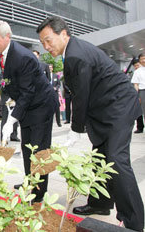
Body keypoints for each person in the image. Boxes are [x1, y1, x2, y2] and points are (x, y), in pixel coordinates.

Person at [37, 16, 144, 231]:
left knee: (115, 160)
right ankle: (100, 204)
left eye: (49, 40)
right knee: (100, 157)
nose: (47, 47)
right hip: (106, 108)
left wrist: (75, 130)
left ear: (64, 34)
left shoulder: (76, 55)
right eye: (43, 44)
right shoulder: (73, 51)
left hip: (118, 107)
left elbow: (81, 96)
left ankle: (134, 220)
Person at [0, 20, 58, 202]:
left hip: (41, 106)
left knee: (39, 150)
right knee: (27, 148)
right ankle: (29, 182)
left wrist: (11, 120)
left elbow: (27, 92)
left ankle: (38, 193)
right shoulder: (3, 54)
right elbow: (11, 82)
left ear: (7, 36)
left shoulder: (22, 56)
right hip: (27, 105)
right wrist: (10, 102)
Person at [131, 54, 145, 134]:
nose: (144, 60)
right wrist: (137, 95)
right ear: (140, 60)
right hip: (142, 91)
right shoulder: (137, 72)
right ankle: (140, 127)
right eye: (142, 59)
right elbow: (135, 84)